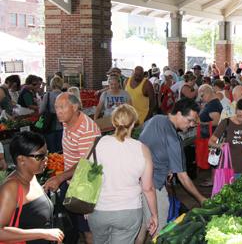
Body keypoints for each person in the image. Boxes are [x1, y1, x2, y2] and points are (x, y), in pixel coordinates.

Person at [88, 104, 158, 243]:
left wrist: (86, 207)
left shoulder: (97, 143)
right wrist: (154, 214)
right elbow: (147, 188)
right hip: (128, 212)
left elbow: (89, 177)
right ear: (134, 123)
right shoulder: (142, 149)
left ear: (113, 122)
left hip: (98, 211)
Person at [139, 98, 206, 233]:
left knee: (140, 228)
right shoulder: (174, 139)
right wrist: (201, 198)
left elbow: (147, 142)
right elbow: (183, 177)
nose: (192, 124)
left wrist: (167, 166)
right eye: (190, 120)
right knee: (159, 231)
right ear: (179, 114)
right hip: (154, 187)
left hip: (136, 182)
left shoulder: (155, 119)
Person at [43, 93, 101, 244]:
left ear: (75, 107)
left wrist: (60, 177)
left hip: (84, 185)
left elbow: (86, 164)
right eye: (56, 107)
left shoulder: (86, 130)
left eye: (62, 107)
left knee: (88, 230)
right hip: (70, 181)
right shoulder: (66, 121)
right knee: (74, 225)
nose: (58, 111)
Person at [0, 131, 64, 243]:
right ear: (21, 160)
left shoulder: (31, 176)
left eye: (46, 154)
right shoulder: (11, 187)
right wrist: (43, 233)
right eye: (40, 156)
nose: (46, 159)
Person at [209, 99, 242, 177]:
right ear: (235, 111)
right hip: (227, 167)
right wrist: (219, 145)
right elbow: (210, 142)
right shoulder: (225, 123)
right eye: (239, 115)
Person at [39, 76, 64, 153]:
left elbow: (41, 110)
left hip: (49, 126)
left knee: (52, 151)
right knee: (61, 150)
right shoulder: (65, 95)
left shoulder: (48, 95)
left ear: (51, 84)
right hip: (63, 125)